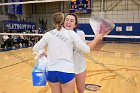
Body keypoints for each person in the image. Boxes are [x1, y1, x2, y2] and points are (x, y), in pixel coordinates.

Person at [63, 13, 102, 93]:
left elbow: (84, 46)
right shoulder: (58, 34)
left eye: (71, 21)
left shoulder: (80, 33)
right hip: (66, 69)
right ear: (63, 22)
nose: (68, 22)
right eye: (67, 20)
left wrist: (96, 40)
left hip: (79, 67)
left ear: (75, 24)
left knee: (81, 90)